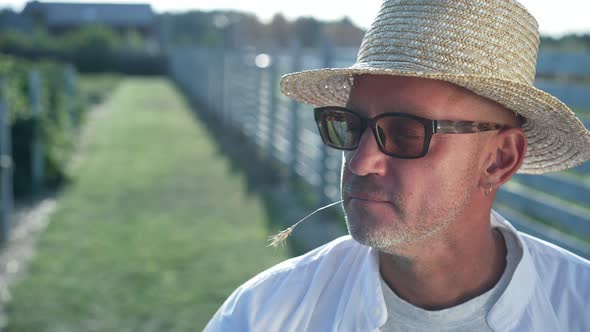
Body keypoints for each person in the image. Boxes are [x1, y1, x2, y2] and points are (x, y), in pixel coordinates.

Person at [205, 0, 590, 330]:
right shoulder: (264, 313)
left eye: (406, 133)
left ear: (499, 160)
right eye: (349, 126)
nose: (360, 162)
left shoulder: (577, 309)